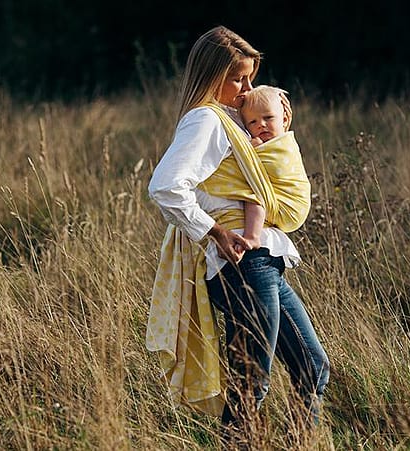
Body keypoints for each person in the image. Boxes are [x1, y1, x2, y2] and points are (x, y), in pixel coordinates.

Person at [144, 26, 330, 441]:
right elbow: (165, 186)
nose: (247, 89)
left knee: (312, 367)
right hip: (244, 264)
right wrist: (214, 232)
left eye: (250, 78)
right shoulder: (206, 120)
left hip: (263, 263)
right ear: (212, 75)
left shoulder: (227, 118)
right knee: (251, 383)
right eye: (238, 78)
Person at [238, 85, 301, 251]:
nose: (261, 125)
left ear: (285, 119)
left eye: (269, 117)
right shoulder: (270, 140)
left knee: (254, 195)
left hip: (289, 203)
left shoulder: (284, 144)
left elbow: (275, 167)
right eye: (253, 122)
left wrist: (253, 150)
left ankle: (252, 237)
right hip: (283, 211)